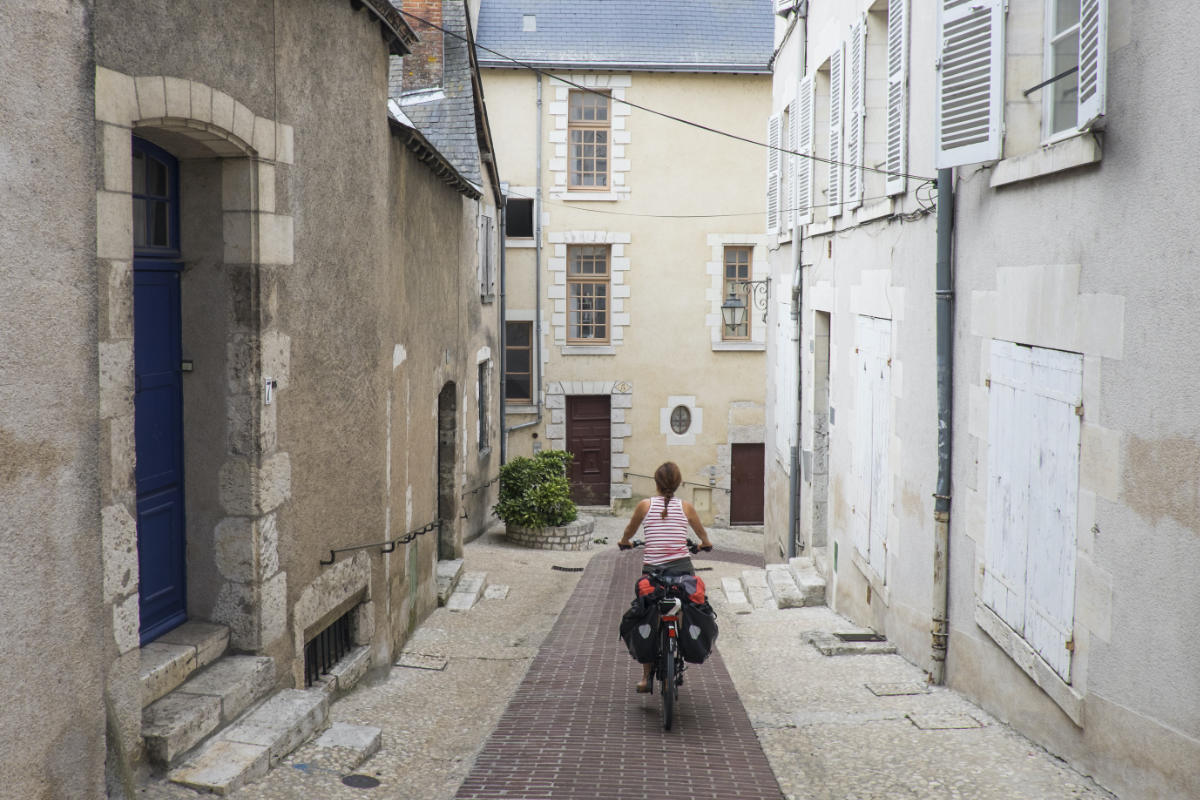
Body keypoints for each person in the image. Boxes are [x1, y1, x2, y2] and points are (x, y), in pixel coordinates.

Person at [616, 461, 713, 693]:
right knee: (685, 607)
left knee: (648, 614)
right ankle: (680, 643)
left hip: (653, 573)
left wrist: (625, 542)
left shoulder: (644, 506)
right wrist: (704, 544)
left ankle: (645, 676)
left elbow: (629, 531)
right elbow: (702, 535)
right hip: (682, 571)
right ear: (678, 484)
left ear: (656, 483)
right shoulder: (686, 507)